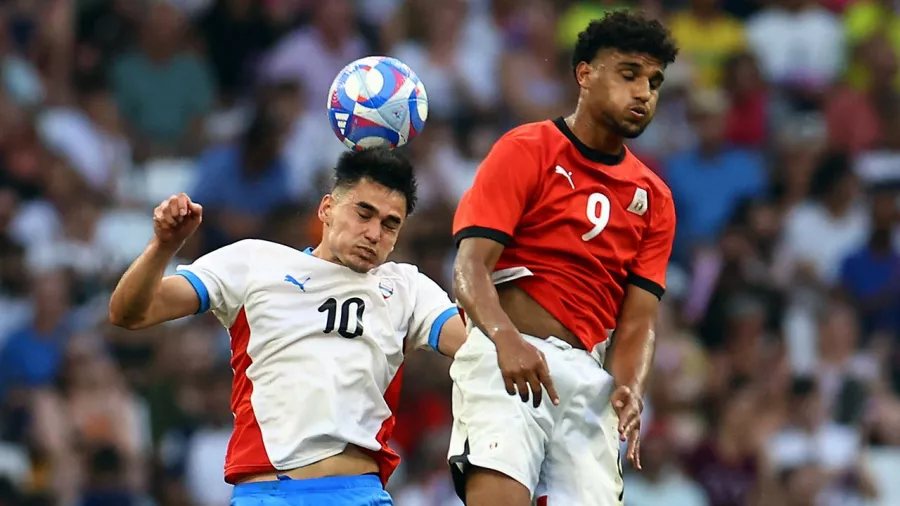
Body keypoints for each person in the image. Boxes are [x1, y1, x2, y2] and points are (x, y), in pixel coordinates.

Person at [109, 147, 466, 506]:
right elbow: (130, 313)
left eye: (390, 224)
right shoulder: (255, 262)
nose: (374, 233)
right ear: (326, 209)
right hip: (270, 494)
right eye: (363, 213)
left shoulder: (406, 287)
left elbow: (477, 347)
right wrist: (163, 246)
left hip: (360, 492)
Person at [449, 11, 679, 506]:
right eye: (629, 74)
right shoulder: (526, 148)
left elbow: (639, 320)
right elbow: (469, 268)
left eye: (655, 82)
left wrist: (631, 388)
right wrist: (505, 340)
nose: (644, 93)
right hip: (508, 360)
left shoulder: (655, 198)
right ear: (585, 73)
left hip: (588, 381)